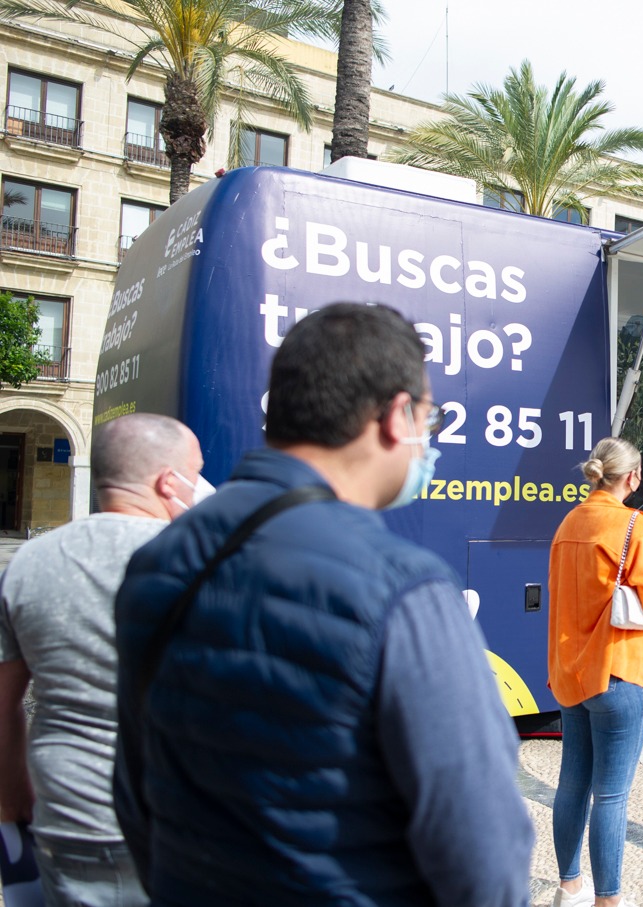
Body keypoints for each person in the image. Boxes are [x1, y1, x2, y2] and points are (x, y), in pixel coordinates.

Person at [112, 303, 533, 906]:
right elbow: (483, 854)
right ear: (395, 417)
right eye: (430, 419)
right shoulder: (402, 586)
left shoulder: (157, 562)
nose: (428, 443)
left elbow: (135, 793)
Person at [0, 413, 207, 907]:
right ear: (169, 481)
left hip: (65, 811)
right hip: (180, 819)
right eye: (197, 473)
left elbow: (3, 703)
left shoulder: (28, 562)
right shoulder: (202, 563)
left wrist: (10, 798)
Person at [547, 438, 643, 907]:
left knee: (572, 784)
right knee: (612, 797)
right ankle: (608, 902)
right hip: (618, 670)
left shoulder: (567, 523)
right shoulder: (633, 527)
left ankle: (569, 888)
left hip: (570, 672)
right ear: (633, 478)